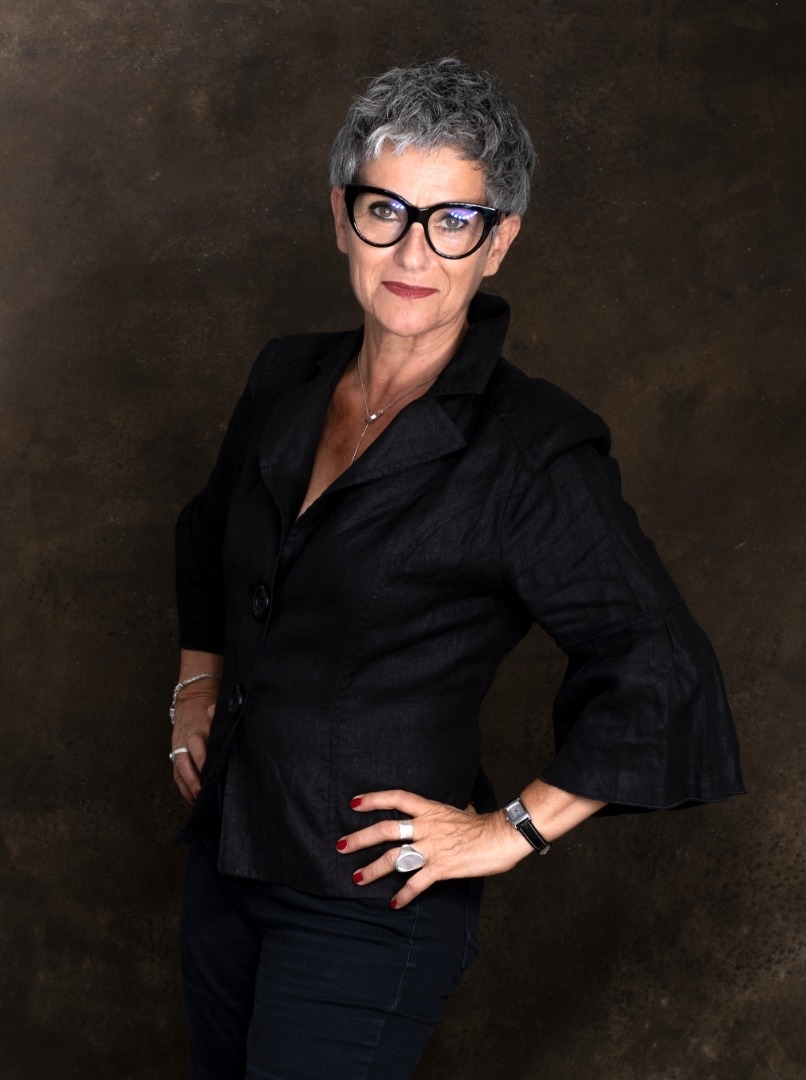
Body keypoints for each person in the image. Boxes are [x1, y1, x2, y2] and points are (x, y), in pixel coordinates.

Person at [170, 57, 744, 1080]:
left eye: (454, 221)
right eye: (385, 211)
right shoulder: (285, 376)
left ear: (498, 241)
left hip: (364, 909)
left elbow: (659, 668)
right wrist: (196, 682)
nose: (413, 251)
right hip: (224, 861)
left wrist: (510, 829)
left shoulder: (530, 448)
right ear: (341, 217)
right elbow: (211, 533)